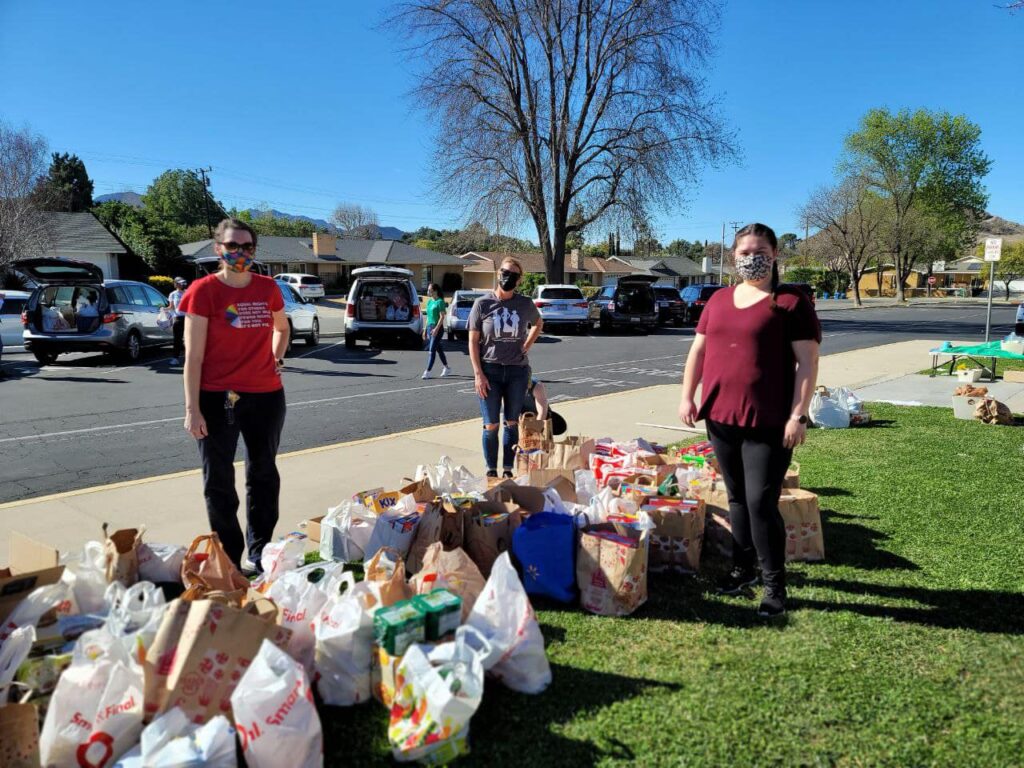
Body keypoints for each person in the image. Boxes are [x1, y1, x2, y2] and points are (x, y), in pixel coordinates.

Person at [678, 223, 820, 618]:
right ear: (733, 257)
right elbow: (698, 352)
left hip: (771, 422)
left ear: (775, 255)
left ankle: (775, 584)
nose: (750, 258)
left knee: (761, 502)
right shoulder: (719, 300)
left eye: (758, 251)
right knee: (737, 498)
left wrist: (799, 415)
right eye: (743, 252)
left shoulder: (791, 302)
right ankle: (742, 569)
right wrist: (687, 395)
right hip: (721, 418)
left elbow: (807, 364)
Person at [179, 218, 290, 573]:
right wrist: (192, 409)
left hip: (266, 396)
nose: (240, 253)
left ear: (254, 251)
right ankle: (229, 558)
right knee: (218, 480)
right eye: (232, 246)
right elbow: (193, 356)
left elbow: (281, 328)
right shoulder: (203, 291)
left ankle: (260, 553)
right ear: (218, 249)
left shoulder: (268, 287)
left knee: (263, 475)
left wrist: (276, 357)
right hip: (217, 398)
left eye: (247, 247)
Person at [468, 257, 543, 478]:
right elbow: (473, 341)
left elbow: (538, 324)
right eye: (504, 272)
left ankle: (508, 470)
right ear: (498, 272)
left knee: (511, 423)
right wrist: (478, 374)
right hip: (489, 371)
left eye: (513, 274)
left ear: (519, 280)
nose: (507, 277)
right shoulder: (482, 304)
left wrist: (526, 345)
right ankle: (491, 470)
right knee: (491, 425)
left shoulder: (524, 304)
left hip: (516, 372)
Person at [421, 283, 451, 379]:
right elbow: (429, 317)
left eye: (430, 290)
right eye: (428, 290)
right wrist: (425, 330)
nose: (428, 292)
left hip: (437, 328)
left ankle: (427, 371)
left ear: (435, 291)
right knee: (439, 349)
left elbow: (442, 317)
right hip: (429, 327)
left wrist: (436, 329)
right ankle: (447, 368)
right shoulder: (429, 302)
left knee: (432, 350)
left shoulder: (440, 302)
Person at [168, 277, 188, 365]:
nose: (182, 285)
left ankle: (190, 358)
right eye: (180, 283)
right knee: (177, 339)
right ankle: (175, 358)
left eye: (183, 283)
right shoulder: (173, 294)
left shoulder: (188, 292)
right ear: (176, 284)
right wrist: (163, 309)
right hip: (178, 318)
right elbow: (171, 307)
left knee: (188, 339)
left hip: (189, 318)